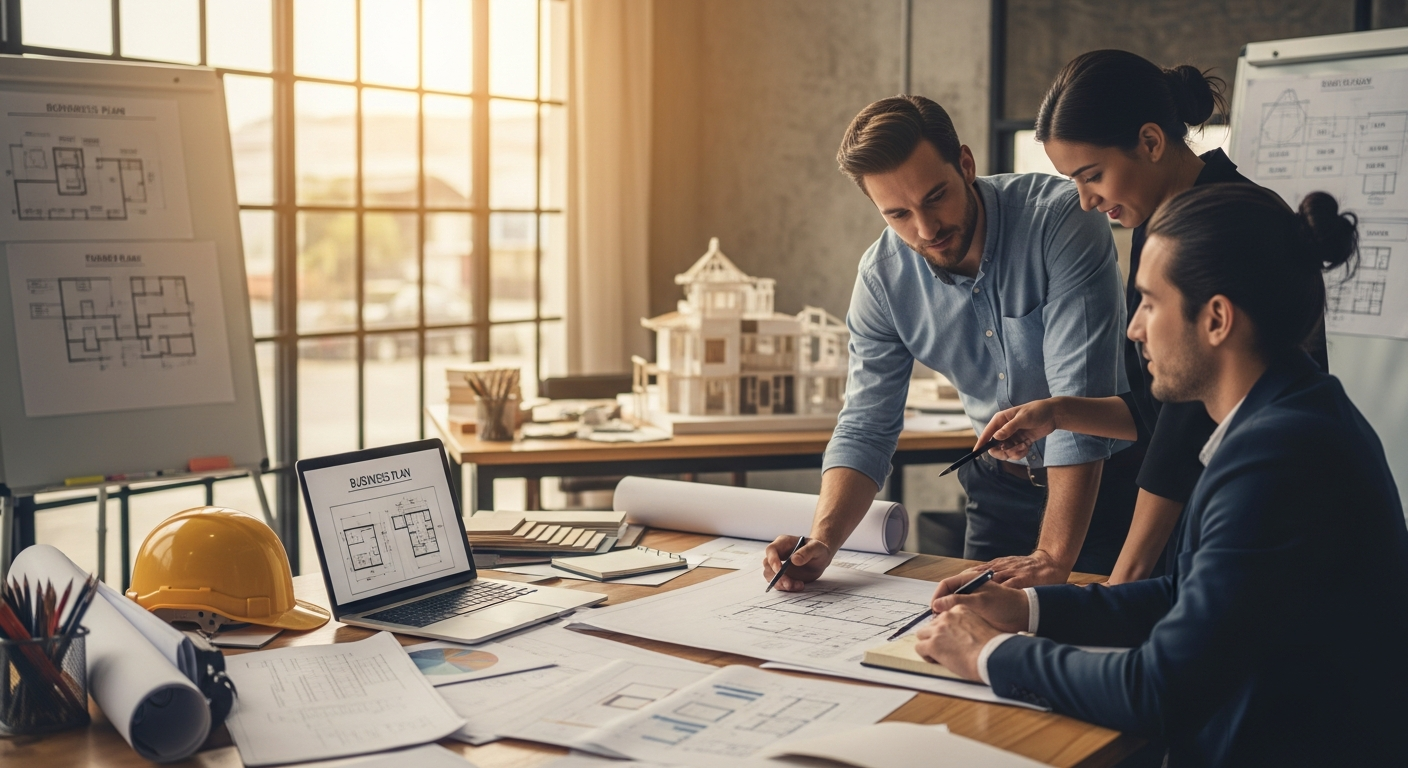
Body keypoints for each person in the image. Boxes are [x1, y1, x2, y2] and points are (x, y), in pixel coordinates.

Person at [914, 184, 1408, 766]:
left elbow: (1158, 690)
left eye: (1149, 303)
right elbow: (1187, 597)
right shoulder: (1288, 414)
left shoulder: (1278, 456)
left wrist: (990, 654)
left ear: (1217, 319)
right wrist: (1026, 611)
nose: (1135, 329)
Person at [764, 95, 1137, 592]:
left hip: (1109, 486)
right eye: (897, 214)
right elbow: (866, 426)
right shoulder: (883, 280)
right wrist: (824, 541)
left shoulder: (1061, 220)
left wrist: (1052, 556)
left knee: (1100, 646)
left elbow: (1080, 400)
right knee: (963, 637)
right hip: (997, 487)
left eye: (935, 197)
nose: (925, 229)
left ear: (965, 163)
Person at [1003, 50, 1328, 584]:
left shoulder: (1223, 225)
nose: (1085, 202)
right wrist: (1056, 413)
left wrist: (1120, 585)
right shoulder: (1158, 220)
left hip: (1259, 512)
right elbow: (1165, 406)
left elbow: (1182, 435)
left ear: (1150, 142)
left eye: (1093, 176)